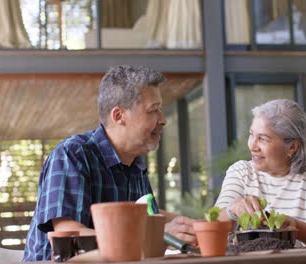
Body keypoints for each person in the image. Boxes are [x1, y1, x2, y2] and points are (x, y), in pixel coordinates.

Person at [23, 66, 196, 261]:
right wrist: (159, 235)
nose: (163, 120)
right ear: (118, 116)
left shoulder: (135, 165)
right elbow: (71, 238)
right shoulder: (72, 155)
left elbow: (151, 216)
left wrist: (196, 227)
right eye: (153, 110)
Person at [215, 99, 306, 246]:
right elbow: (212, 227)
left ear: (292, 147)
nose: (252, 146)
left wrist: (294, 227)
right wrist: (232, 210)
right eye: (251, 135)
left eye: (262, 139)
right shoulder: (241, 172)